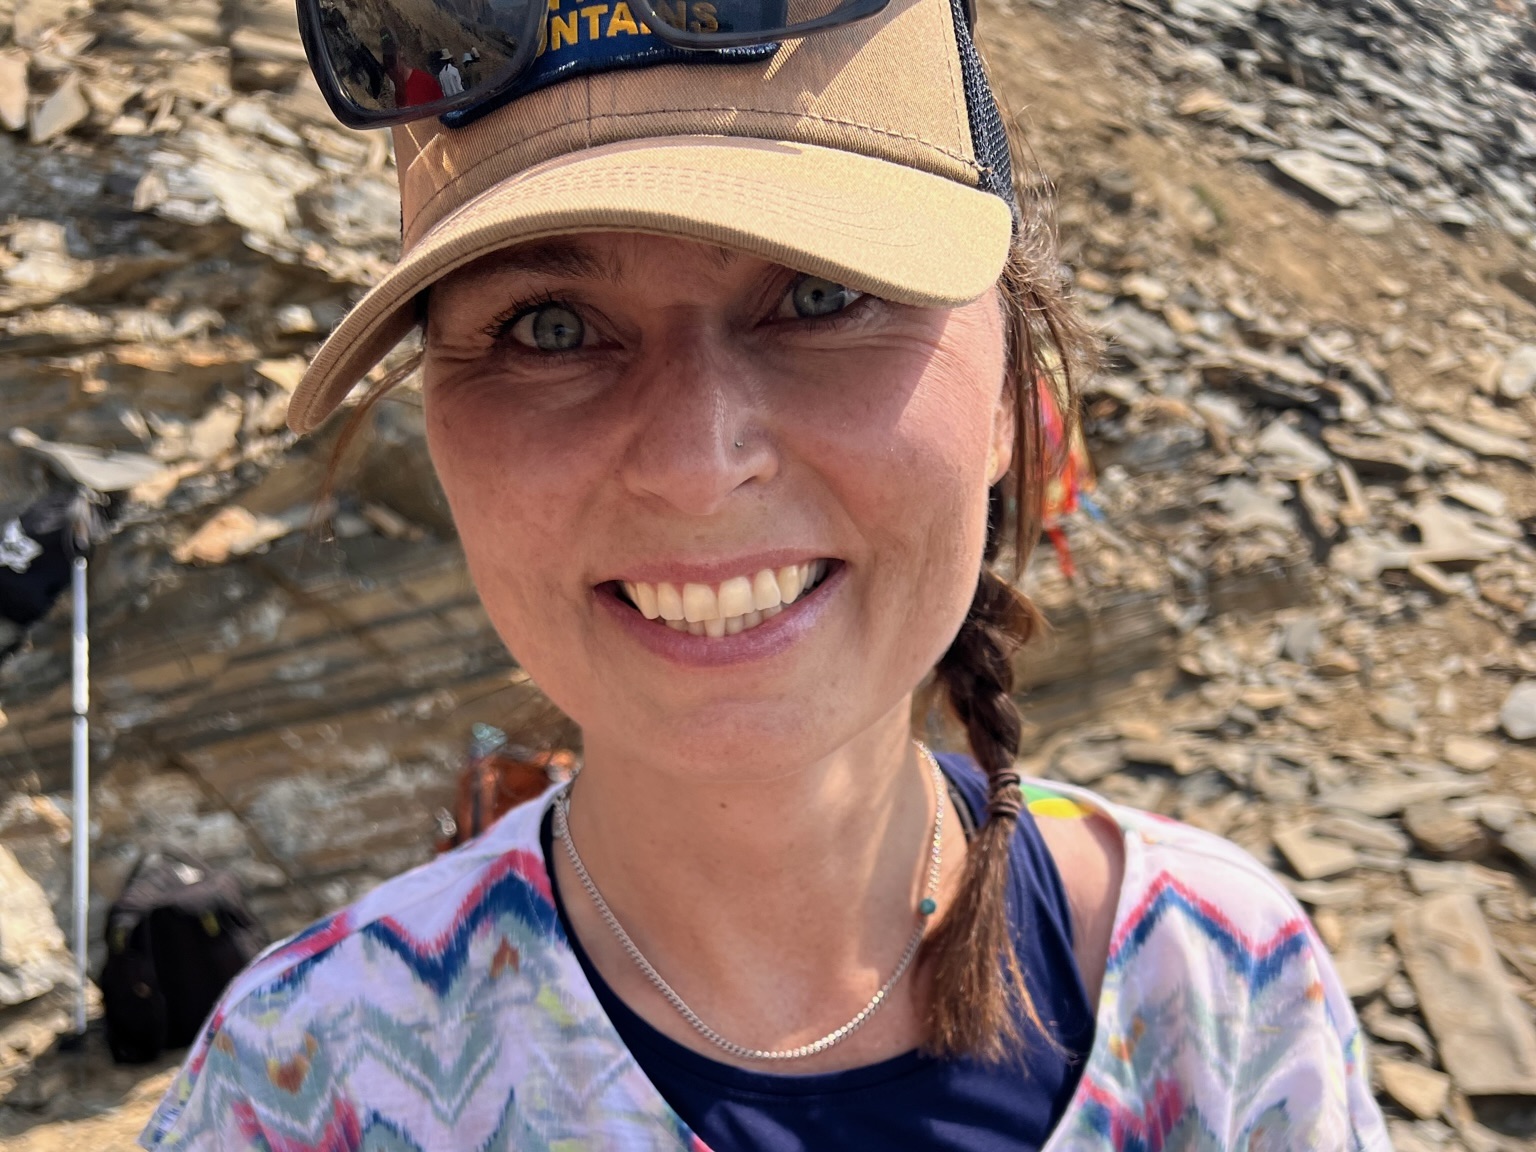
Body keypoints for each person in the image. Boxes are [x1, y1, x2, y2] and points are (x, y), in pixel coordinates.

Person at [141, 0, 1391, 1147]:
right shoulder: (300, 1086)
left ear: (1017, 391)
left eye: (822, 294)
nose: (696, 464)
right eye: (551, 329)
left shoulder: (1225, 987)